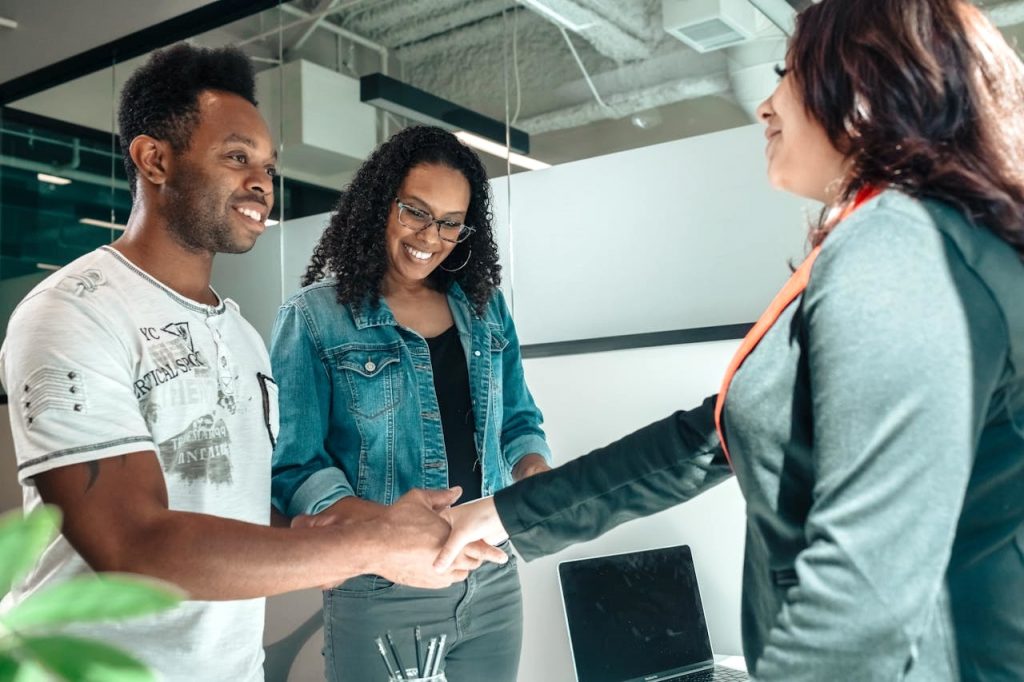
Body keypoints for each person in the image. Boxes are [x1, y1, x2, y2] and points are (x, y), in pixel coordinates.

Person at [436, 1, 1024, 679]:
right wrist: (505, 514)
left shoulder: (899, 249)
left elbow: (865, 599)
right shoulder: (913, 240)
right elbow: (710, 439)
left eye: (788, 73)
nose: (765, 106)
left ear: (863, 86)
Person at [0, 44, 504, 682]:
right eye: (236, 157)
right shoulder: (74, 312)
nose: (261, 183)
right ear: (154, 159)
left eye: (268, 165)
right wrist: (371, 547)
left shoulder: (238, 334)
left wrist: (376, 520)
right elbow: (132, 546)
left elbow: (242, 510)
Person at [270, 125, 552, 681]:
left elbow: (519, 420)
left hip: (490, 577)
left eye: (451, 223)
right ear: (381, 205)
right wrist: (382, 532)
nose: (432, 235)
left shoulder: (485, 308)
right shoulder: (313, 318)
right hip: (382, 581)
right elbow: (295, 465)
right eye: (416, 212)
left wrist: (534, 469)